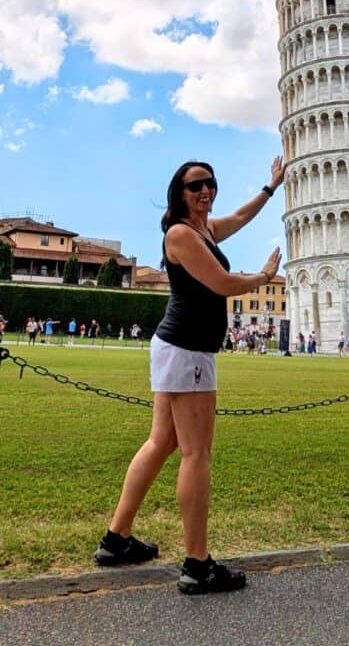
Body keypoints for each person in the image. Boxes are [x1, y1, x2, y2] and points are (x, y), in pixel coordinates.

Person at [94, 155, 285, 596]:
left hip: (179, 349)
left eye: (210, 184)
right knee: (195, 454)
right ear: (179, 194)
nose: (206, 191)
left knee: (162, 442)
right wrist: (264, 275)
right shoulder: (181, 234)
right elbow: (221, 283)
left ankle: (116, 539)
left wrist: (270, 187)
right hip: (188, 352)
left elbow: (238, 216)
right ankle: (197, 565)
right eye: (196, 185)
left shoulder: (204, 229)